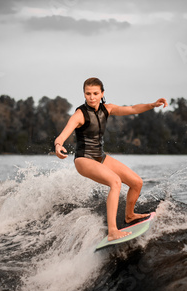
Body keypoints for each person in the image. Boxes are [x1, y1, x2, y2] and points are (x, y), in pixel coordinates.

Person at [54, 77, 168, 241]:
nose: (92, 97)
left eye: (95, 93)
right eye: (88, 94)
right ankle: (113, 231)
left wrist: (152, 105)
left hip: (100, 156)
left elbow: (132, 109)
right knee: (115, 181)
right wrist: (58, 146)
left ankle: (129, 216)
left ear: (102, 93)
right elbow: (62, 135)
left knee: (137, 182)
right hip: (83, 159)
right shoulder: (80, 114)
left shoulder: (107, 109)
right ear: (84, 94)